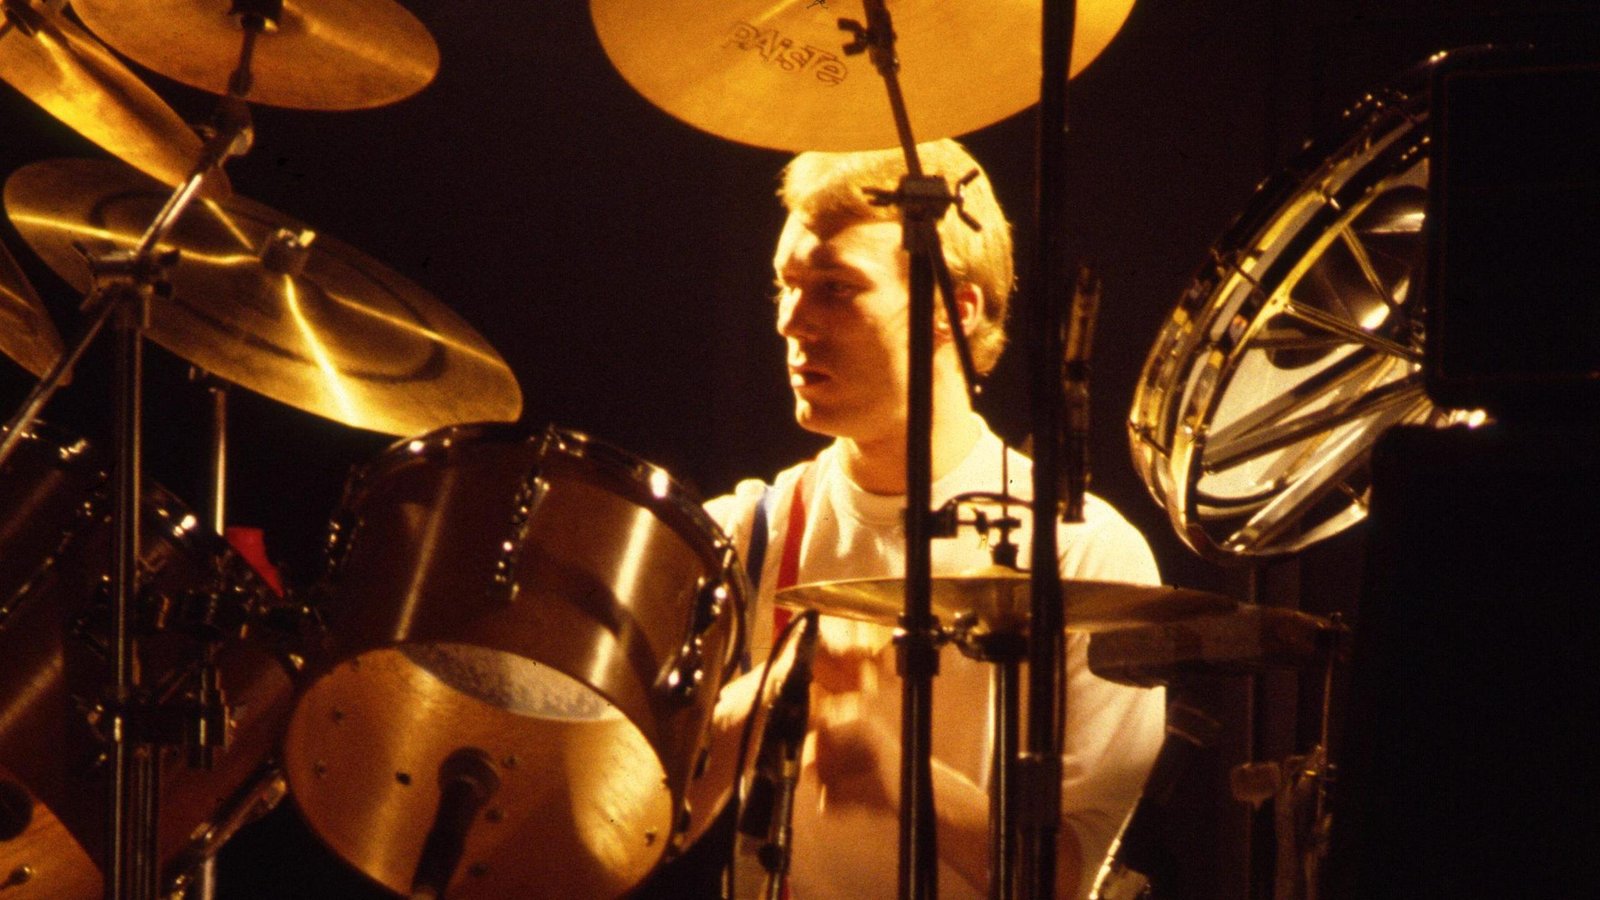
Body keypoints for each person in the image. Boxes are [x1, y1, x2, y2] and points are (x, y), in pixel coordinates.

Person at [684, 138, 1164, 899]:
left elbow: (1066, 877)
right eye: (785, 284)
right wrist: (767, 698)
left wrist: (898, 776)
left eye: (835, 289)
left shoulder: (1083, 552)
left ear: (950, 308)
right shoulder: (749, 530)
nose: (790, 321)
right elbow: (642, 817)